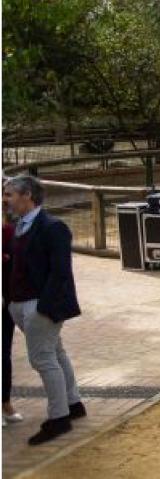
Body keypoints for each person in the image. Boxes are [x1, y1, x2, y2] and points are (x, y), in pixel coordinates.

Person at [3, 175, 84, 445]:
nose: (5, 200)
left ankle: (58, 418)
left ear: (27, 195)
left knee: (43, 360)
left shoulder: (53, 226)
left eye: (9, 194)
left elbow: (60, 272)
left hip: (39, 306)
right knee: (55, 353)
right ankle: (73, 404)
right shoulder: (18, 226)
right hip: (22, 304)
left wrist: (43, 307)